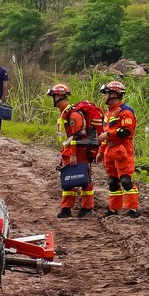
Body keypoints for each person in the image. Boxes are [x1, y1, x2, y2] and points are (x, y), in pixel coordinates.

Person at [46, 84, 96, 218]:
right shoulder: (64, 114)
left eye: (54, 96)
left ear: (60, 96)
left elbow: (77, 135)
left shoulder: (73, 115)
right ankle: (66, 208)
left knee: (84, 179)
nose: (53, 99)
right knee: (68, 180)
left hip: (78, 152)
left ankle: (87, 208)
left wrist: (73, 154)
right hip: (67, 151)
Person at [97, 80, 138, 217]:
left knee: (126, 181)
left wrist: (108, 135)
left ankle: (132, 209)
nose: (104, 96)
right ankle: (113, 209)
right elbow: (105, 136)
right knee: (112, 182)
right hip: (109, 151)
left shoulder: (126, 111)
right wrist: (101, 152)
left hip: (122, 150)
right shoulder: (108, 113)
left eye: (106, 93)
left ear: (114, 94)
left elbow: (126, 131)